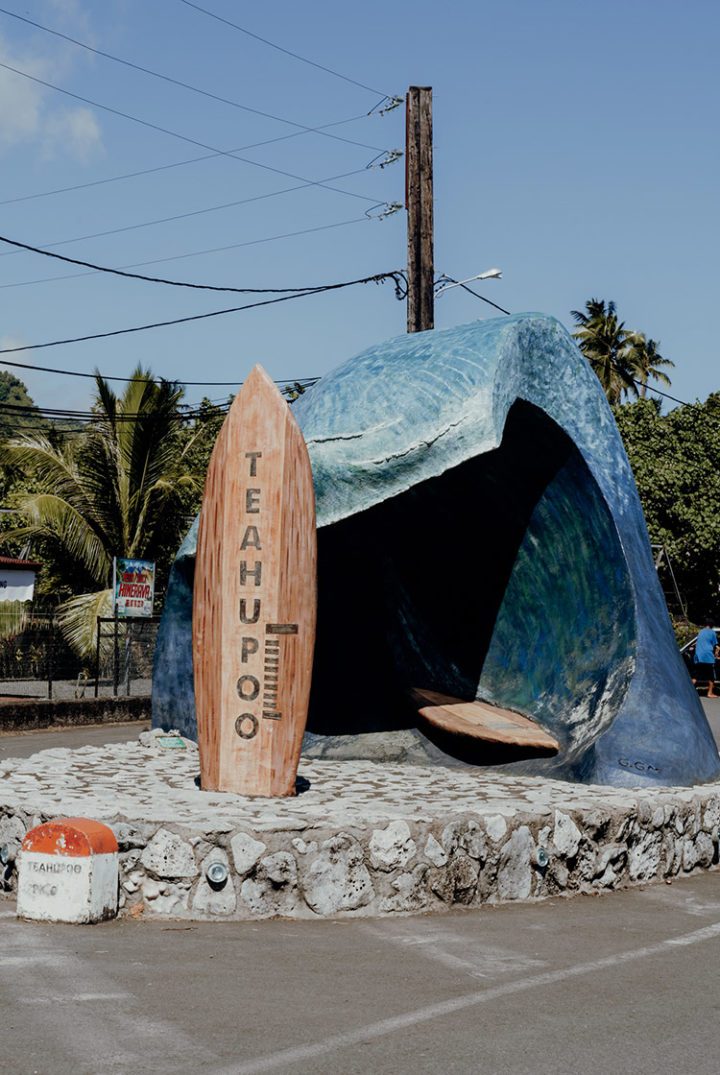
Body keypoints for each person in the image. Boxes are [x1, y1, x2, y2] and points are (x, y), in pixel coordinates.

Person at [693, 620, 719, 699]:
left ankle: (687, 692)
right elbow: (717, 647)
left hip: (698, 657)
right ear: (712, 626)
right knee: (711, 677)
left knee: (696, 676)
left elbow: (698, 643)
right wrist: (716, 655)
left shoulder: (701, 632)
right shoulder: (712, 632)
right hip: (708, 657)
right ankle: (710, 693)